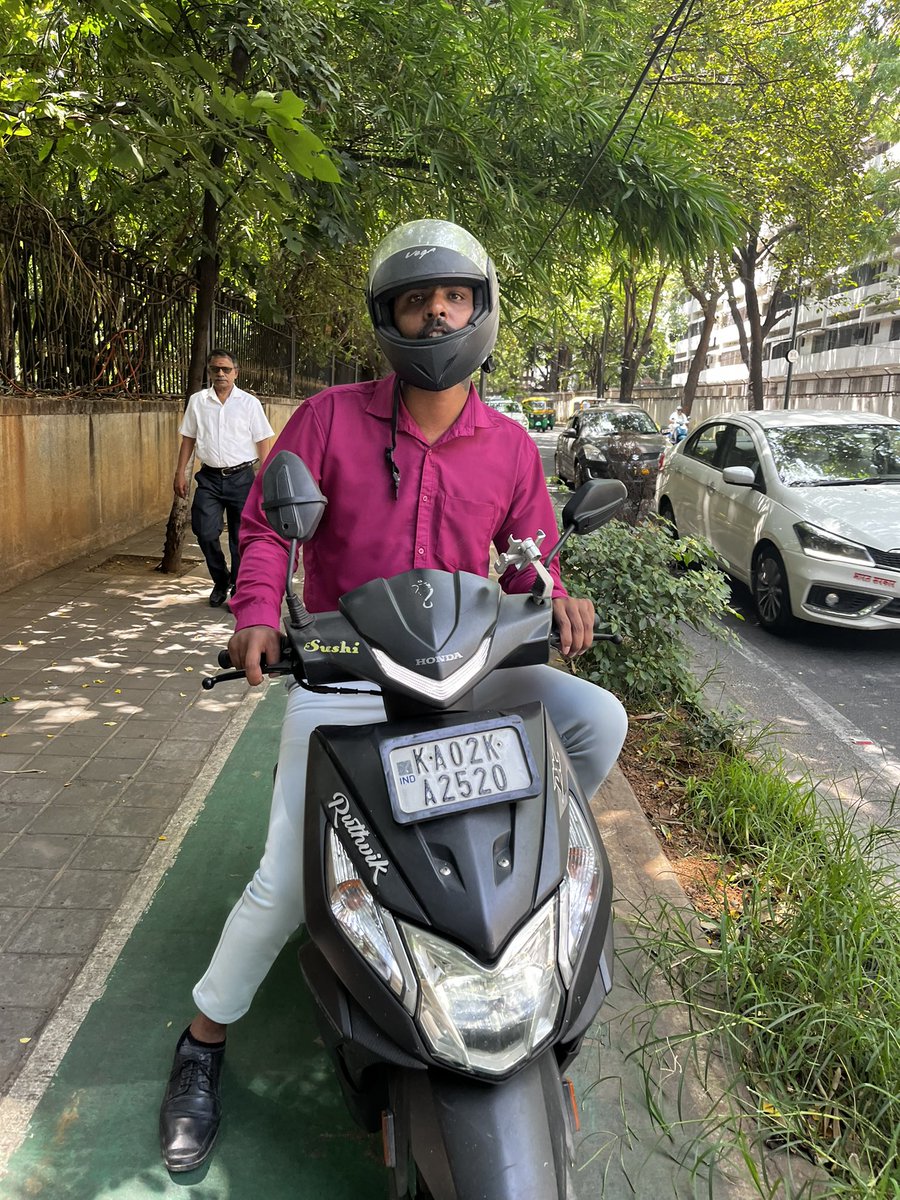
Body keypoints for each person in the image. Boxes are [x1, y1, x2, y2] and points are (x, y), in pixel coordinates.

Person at [158, 220, 628, 1172]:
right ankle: (202, 1042)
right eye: (417, 299)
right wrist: (257, 613)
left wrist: (559, 599)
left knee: (596, 720)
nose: (436, 313)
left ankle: (492, 893)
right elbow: (264, 529)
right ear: (388, 316)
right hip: (348, 674)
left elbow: (534, 562)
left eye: (453, 296)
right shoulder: (328, 420)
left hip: (465, 675)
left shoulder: (510, 448)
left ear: (480, 310)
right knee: (289, 881)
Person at [174, 349, 274, 607]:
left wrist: (267, 477)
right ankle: (221, 579)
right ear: (209, 372)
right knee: (205, 532)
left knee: (241, 538)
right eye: (215, 369)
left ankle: (239, 589)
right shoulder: (198, 401)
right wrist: (180, 472)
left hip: (242, 478)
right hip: (209, 477)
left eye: (226, 369)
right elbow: (189, 438)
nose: (220, 373)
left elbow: (263, 440)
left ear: (235, 373)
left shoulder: (249, 403)